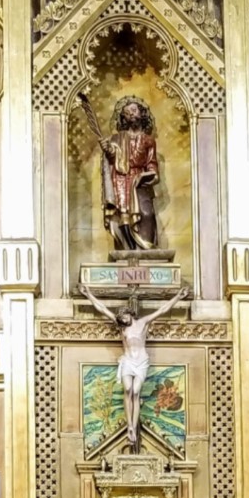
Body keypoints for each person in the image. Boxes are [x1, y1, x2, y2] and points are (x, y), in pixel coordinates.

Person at [80, 282, 188, 451]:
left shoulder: (143, 322)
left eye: (124, 317)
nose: (123, 320)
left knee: (136, 392)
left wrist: (177, 297)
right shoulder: (122, 329)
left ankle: (133, 426)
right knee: (128, 389)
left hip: (142, 361)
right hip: (127, 361)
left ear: (129, 314)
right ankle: (130, 425)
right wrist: (88, 294)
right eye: (121, 319)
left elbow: (162, 310)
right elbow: (102, 308)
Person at [82, 93, 162, 253]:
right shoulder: (116, 139)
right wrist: (108, 149)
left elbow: (151, 164)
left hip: (140, 182)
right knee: (123, 213)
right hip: (121, 178)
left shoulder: (148, 140)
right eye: (127, 112)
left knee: (147, 214)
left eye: (134, 110)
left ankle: (146, 249)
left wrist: (148, 176)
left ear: (142, 113)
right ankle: (129, 249)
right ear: (124, 118)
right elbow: (113, 155)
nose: (131, 114)